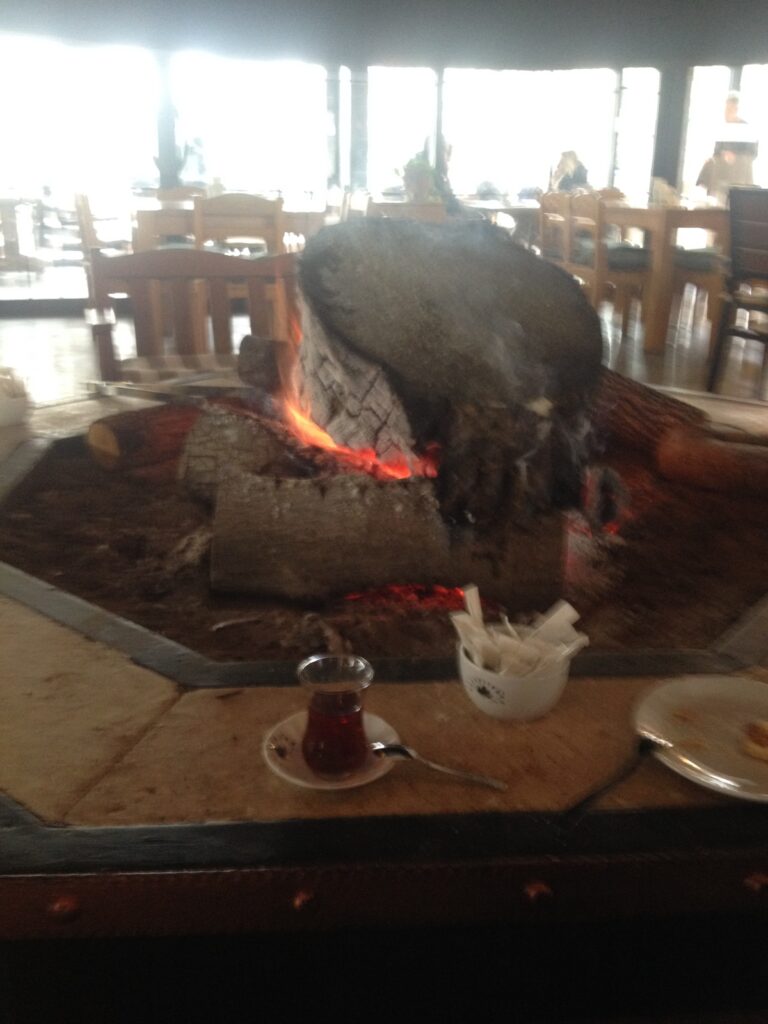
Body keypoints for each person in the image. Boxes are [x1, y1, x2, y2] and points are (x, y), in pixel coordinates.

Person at [696, 92, 758, 205]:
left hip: (739, 170)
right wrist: (718, 156)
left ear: (736, 109)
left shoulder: (746, 128)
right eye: (726, 109)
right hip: (723, 168)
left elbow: (752, 153)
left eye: (730, 109)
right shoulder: (723, 128)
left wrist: (736, 156)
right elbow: (717, 150)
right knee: (710, 166)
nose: (727, 113)